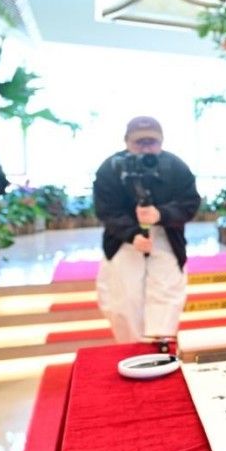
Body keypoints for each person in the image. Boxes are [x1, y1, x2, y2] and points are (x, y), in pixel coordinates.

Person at [93, 116, 200, 343]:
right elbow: (106, 210)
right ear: (126, 142)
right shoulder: (110, 169)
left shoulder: (176, 167)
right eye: (139, 142)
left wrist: (161, 214)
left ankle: (161, 346)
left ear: (161, 141)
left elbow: (189, 203)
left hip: (166, 238)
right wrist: (131, 234)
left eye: (151, 142)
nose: (145, 148)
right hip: (123, 242)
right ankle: (131, 348)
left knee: (167, 294)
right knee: (124, 298)